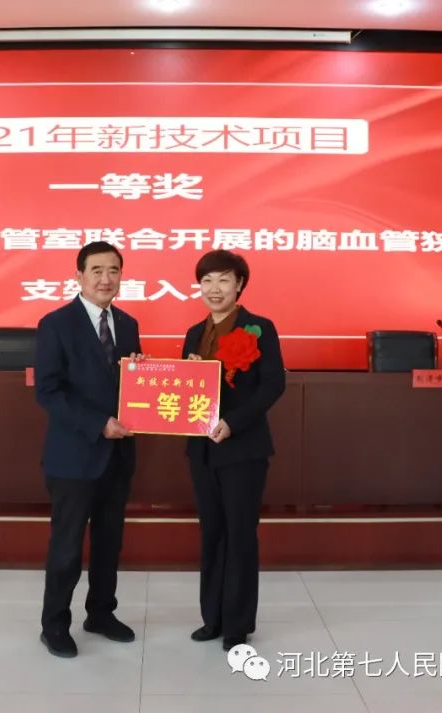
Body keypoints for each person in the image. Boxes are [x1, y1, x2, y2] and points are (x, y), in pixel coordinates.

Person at [33, 242, 142, 658]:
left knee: (109, 542)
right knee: (67, 546)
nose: (105, 279)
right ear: (78, 275)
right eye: (96, 270)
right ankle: (54, 625)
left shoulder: (128, 324)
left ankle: (100, 613)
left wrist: (144, 378)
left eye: (113, 270)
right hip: (73, 457)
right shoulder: (56, 323)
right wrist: (98, 424)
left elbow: (129, 384)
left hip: (118, 456)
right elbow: (48, 391)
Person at [181, 249, 286, 652]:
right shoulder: (194, 332)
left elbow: (272, 384)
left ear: (239, 284)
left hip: (242, 448)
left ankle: (237, 624)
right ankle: (212, 618)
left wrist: (233, 422)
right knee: (212, 532)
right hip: (202, 451)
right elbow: (186, 388)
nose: (214, 288)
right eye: (207, 280)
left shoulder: (260, 328)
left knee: (240, 534)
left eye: (223, 279)